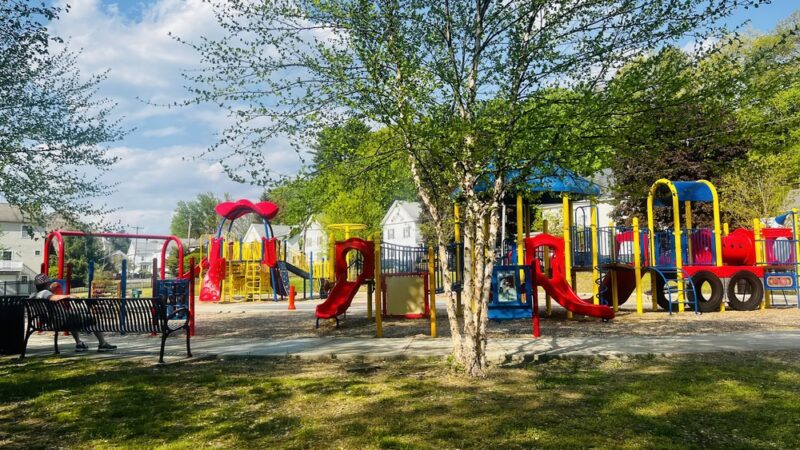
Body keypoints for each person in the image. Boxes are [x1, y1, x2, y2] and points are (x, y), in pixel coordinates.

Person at [30, 273, 117, 353]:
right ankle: (102, 344)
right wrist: (68, 296)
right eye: (48, 283)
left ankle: (79, 344)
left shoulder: (33, 295)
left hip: (52, 322)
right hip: (60, 322)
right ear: (46, 284)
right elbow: (54, 298)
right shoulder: (45, 293)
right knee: (91, 318)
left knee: (73, 318)